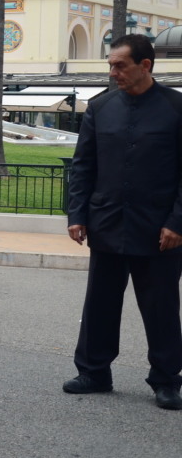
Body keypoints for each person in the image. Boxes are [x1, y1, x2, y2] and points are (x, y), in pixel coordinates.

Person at [64, 34, 182, 411]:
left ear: (145, 65)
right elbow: (83, 166)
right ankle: (94, 371)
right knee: (100, 302)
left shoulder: (177, 107)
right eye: (110, 65)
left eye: (120, 65)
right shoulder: (101, 108)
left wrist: (177, 222)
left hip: (159, 229)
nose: (112, 72)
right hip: (107, 222)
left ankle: (166, 380)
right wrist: (77, 215)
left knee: (161, 307)